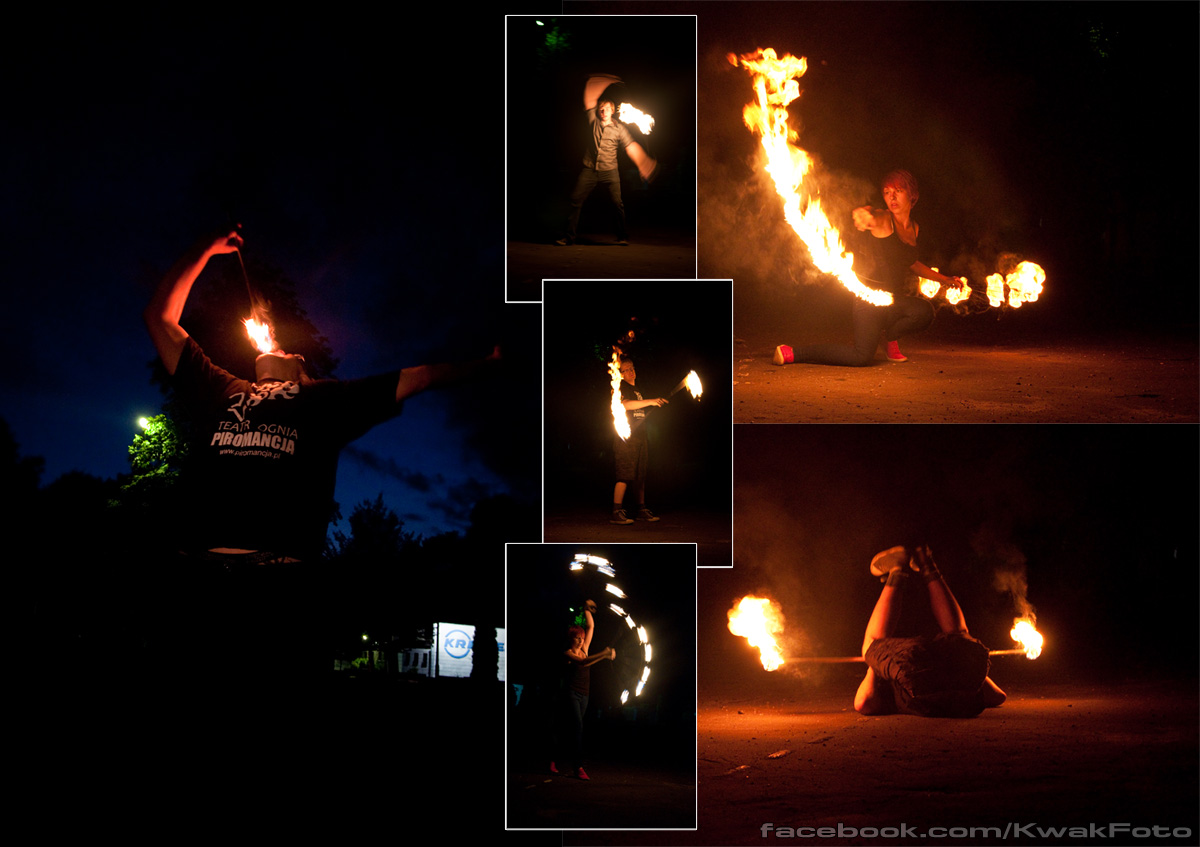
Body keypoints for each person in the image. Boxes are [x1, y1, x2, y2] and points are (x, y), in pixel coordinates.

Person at [143, 229, 500, 681]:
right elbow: (159, 317)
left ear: (303, 376)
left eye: (292, 352)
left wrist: (486, 365)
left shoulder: (325, 402)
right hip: (196, 586)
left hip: (276, 592)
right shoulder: (220, 389)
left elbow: (421, 375)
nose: (277, 344)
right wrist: (205, 250)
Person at [773, 170, 962, 366]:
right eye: (887, 192)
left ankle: (889, 338)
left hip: (892, 301)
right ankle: (795, 353)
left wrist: (945, 280)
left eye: (898, 190)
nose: (892, 196)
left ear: (912, 195)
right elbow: (873, 215)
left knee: (924, 312)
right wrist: (865, 213)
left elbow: (911, 263)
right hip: (869, 300)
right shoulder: (884, 220)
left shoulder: (914, 228)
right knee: (861, 356)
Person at [855, 544, 1007, 718]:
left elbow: (997, 696)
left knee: (959, 635)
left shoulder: (965, 697)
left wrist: (874, 666)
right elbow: (864, 703)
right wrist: (875, 660)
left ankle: (918, 566)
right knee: (872, 646)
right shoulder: (964, 694)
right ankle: (910, 567)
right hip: (921, 671)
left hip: (920, 675)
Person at [556, 73, 657, 247]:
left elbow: (631, 146)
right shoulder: (592, 121)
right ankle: (568, 237)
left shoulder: (619, 129)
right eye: (601, 109)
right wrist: (603, 81)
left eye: (607, 109)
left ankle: (622, 236)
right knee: (575, 200)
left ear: (612, 111)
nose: (603, 112)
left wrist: (643, 163)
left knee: (617, 204)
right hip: (589, 169)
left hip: (610, 171)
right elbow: (590, 97)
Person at [551, 599, 615, 780]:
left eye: (581, 637)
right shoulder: (568, 654)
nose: (581, 640)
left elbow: (591, 627)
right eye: (577, 638)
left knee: (569, 729)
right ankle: (578, 767)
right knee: (577, 727)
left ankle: (554, 757)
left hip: (584, 695)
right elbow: (584, 662)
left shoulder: (585, 648)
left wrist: (587, 609)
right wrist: (603, 654)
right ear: (571, 639)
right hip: (570, 694)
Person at [611, 357, 667, 525]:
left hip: (641, 437)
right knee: (625, 474)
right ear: (619, 374)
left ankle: (641, 510)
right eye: (625, 370)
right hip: (627, 437)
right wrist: (650, 401)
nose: (630, 371)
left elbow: (638, 406)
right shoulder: (621, 387)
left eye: (632, 368)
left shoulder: (637, 389)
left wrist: (653, 403)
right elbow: (625, 405)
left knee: (640, 475)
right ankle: (616, 511)